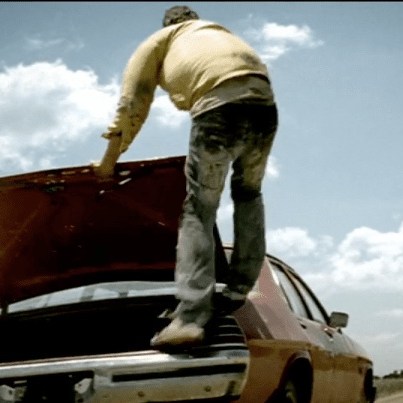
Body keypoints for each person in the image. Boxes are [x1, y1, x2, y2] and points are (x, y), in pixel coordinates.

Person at [95, 5, 278, 347]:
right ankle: (238, 289)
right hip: (264, 109)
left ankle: (191, 317)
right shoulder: (219, 32)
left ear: (168, 25)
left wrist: (109, 161)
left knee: (199, 209)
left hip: (218, 111)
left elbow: (132, 104)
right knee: (248, 193)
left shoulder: (158, 41)